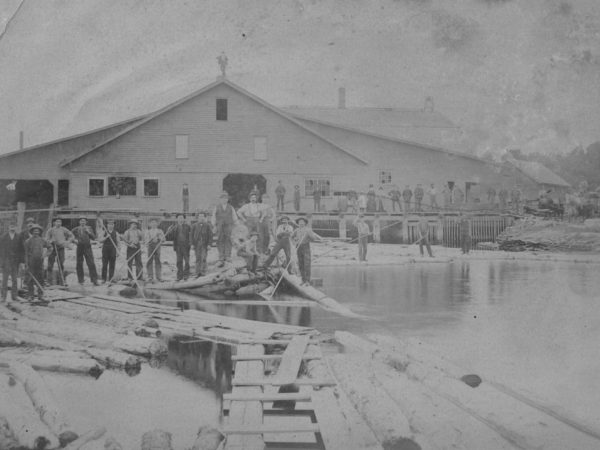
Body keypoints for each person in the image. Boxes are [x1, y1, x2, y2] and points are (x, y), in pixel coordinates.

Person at [292, 217, 324, 285]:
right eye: (300, 222)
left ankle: (307, 281)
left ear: (305, 223)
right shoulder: (296, 230)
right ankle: (303, 280)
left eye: (302, 222)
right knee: (300, 264)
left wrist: (310, 236)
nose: (301, 223)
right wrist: (294, 241)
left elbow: (313, 238)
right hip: (298, 247)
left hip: (306, 247)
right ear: (298, 223)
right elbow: (291, 237)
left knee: (307, 264)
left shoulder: (308, 230)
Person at [24, 224, 50, 300]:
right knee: (30, 279)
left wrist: (45, 255)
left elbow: (50, 247)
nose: (36, 232)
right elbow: (25, 254)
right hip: (31, 261)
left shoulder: (43, 240)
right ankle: (30, 295)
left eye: (37, 230)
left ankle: (40, 295)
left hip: (40, 261)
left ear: (39, 232)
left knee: (41, 278)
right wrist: (26, 264)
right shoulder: (28, 241)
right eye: (34, 230)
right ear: (32, 232)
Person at [45, 218, 74, 286]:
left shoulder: (64, 229)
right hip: (52, 248)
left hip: (61, 248)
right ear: (54, 223)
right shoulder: (50, 230)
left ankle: (62, 281)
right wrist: (50, 241)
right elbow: (46, 239)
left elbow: (72, 236)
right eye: (57, 221)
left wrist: (68, 241)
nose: (59, 223)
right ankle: (48, 281)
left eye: (60, 222)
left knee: (61, 264)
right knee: (50, 265)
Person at [212, 191, 238, 266]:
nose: (224, 200)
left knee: (228, 240)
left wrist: (237, 226)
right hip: (220, 227)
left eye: (225, 198)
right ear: (220, 199)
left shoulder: (231, 207)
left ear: (227, 199)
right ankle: (221, 257)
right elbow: (213, 217)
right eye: (222, 198)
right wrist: (214, 226)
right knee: (220, 241)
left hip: (228, 226)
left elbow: (234, 217)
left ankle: (228, 256)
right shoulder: (216, 207)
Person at [72, 217, 99, 285]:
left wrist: (89, 232)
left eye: (84, 221)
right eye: (81, 221)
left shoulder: (89, 228)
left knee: (91, 263)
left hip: (87, 247)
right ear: (79, 222)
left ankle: (94, 280)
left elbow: (94, 237)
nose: (83, 222)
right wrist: (74, 241)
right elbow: (69, 235)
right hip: (79, 247)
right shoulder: (76, 229)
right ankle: (80, 280)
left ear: (86, 222)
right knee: (79, 263)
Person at [0, 222, 23, 302]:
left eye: (14, 226)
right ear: (8, 227)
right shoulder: (3, 237)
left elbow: (21, 250)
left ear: (16, 227)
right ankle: (3, 296)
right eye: (11, 226)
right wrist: (1, 262)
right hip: (6, 261)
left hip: (15, 262)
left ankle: (14, 296)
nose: (12, 228)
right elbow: (1, 251)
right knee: (5, 279)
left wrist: (21, 261)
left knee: (14, 279)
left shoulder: (19, 237)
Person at [167, 213, 192, 280]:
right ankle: (179, 276)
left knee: (187, 261)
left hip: (186, 246)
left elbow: (191, 236)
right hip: (178, 246)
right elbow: (170, 237)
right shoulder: (174, 227)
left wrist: (190, 243)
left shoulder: (188, 226)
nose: (180, 219)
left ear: (184, 219)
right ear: (177, 219)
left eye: (182, 218)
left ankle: (186, 275)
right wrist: (169, 231)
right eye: (179, 218)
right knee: (179, 261)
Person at [190, 211, 212, 277]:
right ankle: (197, 272)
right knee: (198, 258)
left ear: (204, 217)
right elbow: (191, 235)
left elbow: (210, 236)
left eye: (203, 216)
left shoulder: (207, 225)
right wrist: (192, 244)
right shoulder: (194, 225)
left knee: (204, 258)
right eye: (200, 216)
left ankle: (203, 272)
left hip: (204, 245)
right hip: (197, 244)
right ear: (198, 217)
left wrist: (209, 244)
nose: (201, 218)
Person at [99, 219, 119, 284]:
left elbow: (118, 243)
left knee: (112, 265)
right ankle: (103, 279)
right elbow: (100, 240)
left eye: (112, 224)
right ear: (107, 225)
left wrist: (118, 251)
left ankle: (111, 278)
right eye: (109, 224)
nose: (111, 225)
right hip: (105, 250)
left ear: (114, 225)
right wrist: (106, 237)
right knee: (104, 264)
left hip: (113, 249)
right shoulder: (104, 232)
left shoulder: (116, 233)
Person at [146, 218, 166, 282]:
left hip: (157, 246)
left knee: (158, 261)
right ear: (150, 224)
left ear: (157, 224)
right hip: (150, 246)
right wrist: (150, 240)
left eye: (155, 223)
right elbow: (146, 241)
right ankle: (150, 276)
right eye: (152, 223)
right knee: (149, 261)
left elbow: (164, 240)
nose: (154, 224)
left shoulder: (160, 231)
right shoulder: (148, 231)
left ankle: (159, 277)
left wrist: (159, 238)